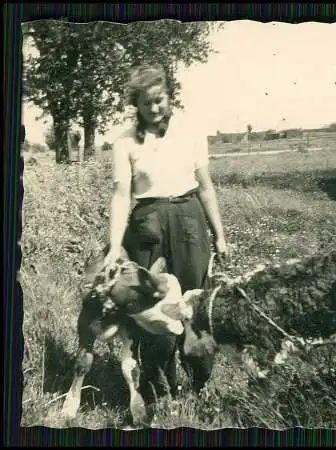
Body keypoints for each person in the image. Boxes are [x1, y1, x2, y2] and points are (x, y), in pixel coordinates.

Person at [102, 64, 229, 408]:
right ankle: (160, 388)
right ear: (137, 106)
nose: (154, 109)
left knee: (193, 303)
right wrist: (115, 246)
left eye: (159, 100)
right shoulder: (125, 142)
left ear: (169, 97)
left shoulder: (190, 132)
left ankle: (200, 382)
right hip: (146, 226)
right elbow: (120, 195)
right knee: (150, 307)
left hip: (189, 221)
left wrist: (220, 235)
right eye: (146, 104)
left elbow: (205, 187)